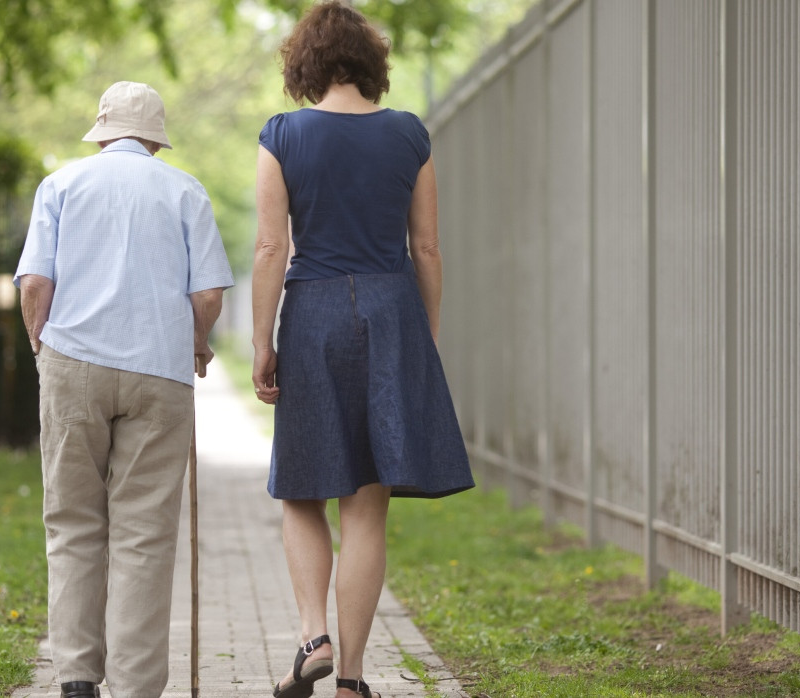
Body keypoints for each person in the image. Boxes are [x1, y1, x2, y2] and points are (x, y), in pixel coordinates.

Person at [251, 4, 474, 698]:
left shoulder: (283, 134)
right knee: (367, 505)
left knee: (302, 489)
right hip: (390, 307)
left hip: (313, 312)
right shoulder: (408, 133)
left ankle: (312, 636)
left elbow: (271, 247)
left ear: (305, 65)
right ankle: (350, 680)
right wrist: (422, 334)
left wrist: (262, 343)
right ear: (372, 63)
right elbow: (426, 247)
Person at [14, 80, 234, 698]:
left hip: (72, 365)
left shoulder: (61, 185)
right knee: (144, 534)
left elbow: (35, 285)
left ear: (103, 134)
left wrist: (40, 347)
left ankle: (77, 679)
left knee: (73, 523)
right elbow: (208, 294)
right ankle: (135, 688)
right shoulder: (185, 190)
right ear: (156, 140)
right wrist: (195, 341)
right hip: (160, 373)